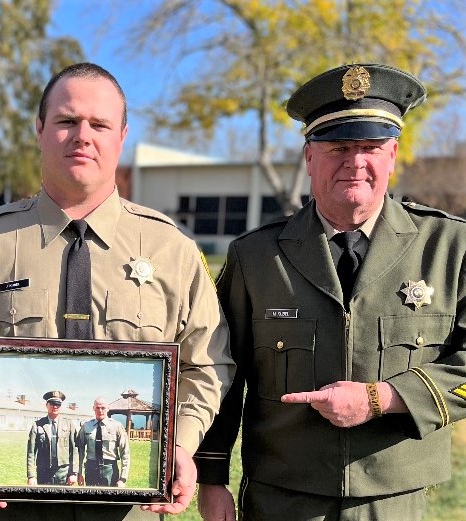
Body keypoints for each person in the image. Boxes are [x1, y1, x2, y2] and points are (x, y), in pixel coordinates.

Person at [0, 61, 234, 520]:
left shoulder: (173, 249)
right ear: (40, 129)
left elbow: (208, 362)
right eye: (67, 120)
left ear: (121, 135)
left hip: (132, 506)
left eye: (100, 124)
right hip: (13, 507)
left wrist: (180, 445)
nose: (82, 135)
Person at [195, 63, 466, 521]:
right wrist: (212, 477)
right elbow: (222, 371)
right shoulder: (256, 257)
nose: (355, 162)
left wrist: (384, 398)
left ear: (393, 154)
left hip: (394, 497)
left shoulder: (450, 248)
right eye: (338, 146)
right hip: (283, 496)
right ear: (308, 157)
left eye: (370, 147)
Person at [26, 390, 79, 485]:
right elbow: (31, 453)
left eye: (58, 404)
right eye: (52, 403)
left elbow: (74, 450)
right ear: (46, 405)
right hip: (44, 472)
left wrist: (73, 473)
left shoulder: (69, 424)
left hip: (63, 473)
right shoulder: (38, 425)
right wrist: (31, 476)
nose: (55, 406)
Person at [77, 397, 129, 487]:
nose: (100, 410)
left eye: (103, 408)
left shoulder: (117, 426)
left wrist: (123, 478)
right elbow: (79, 451)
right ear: (93, 408)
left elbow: (125, 452)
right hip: (91, 468)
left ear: (108, 409)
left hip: (110, 469)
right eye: (97, 408)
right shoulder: (86, 426)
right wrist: (79, 473)